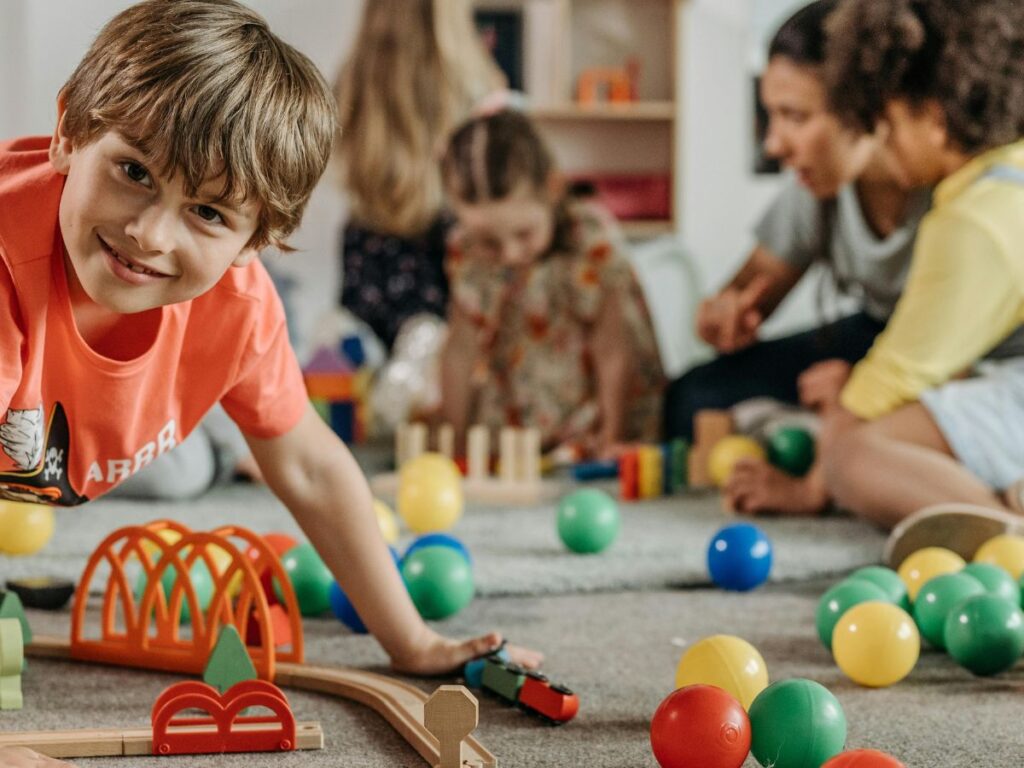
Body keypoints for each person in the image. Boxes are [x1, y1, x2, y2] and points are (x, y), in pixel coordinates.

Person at [0, 6, 539, 764]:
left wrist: (411, 640)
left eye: (208, 212)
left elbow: (311, 466)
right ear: (68, 131)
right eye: (133, 171)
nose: (151, 234)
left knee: (192, 459)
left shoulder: (240, 306)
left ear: (255, 241)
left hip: (67, 432)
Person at [663, 0, 937, 516]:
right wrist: (725, 313)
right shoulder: (818, 188)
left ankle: (830, 452)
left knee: (882, 417)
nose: (774, 143)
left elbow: (954, 352)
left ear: (868, 107)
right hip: (871, 335)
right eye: (771, 115)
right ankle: (824, 440)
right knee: (693, 396)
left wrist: (860, 388)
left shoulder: (951, 190)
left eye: (796, 116)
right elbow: (753, 285)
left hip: (945, 357)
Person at [816, 0, 1024, 565]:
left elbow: (894, 379)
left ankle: (1011, 541)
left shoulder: (974, 219)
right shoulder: (1011, 178)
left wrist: (812, 484)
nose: (881, 145)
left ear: (934, 116)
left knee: (853, 455)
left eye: (888, 125)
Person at [437, 110, 664, 458]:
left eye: (524, 234)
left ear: (553, 189)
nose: (510, 254)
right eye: (489, 241)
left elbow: (613, 349)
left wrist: (612, 435)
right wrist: (455, 440)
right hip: (517, 414)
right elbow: (459, 351)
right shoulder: (467, 252)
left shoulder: (588, 239)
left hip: (591, 411)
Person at [334, 0, 505, 351]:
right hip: (445, 248)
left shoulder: (353, 77)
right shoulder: (480, 83)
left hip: (369, 246)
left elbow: (342, 161)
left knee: (362, 378)